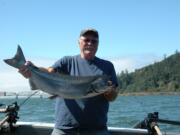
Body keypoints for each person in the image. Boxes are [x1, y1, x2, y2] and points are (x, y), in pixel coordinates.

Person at [19, 28, 119, 135]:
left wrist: (110, 91)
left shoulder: (107, 66)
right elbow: (49, 71)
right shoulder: (67, 61)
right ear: (79, 42)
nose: (90, 43)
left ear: (98, 44)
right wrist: (33, 68)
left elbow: (112, 97)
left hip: (97, 130)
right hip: (64, 129)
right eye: (86, 40)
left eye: (94, 41)